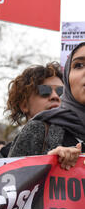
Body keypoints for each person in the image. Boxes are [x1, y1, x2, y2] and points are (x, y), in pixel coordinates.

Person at [8, 42, 85, 170]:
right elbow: (8, 186)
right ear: (68, 78)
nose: (55, 96)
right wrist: (48, 164)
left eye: (60, 91)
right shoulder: (38, 130)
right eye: (79, 65)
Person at [1, 62, 64, 156]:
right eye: (44, 90)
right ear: (24, 105)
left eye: (61, 92)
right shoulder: (5, 154)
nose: (55, 96)